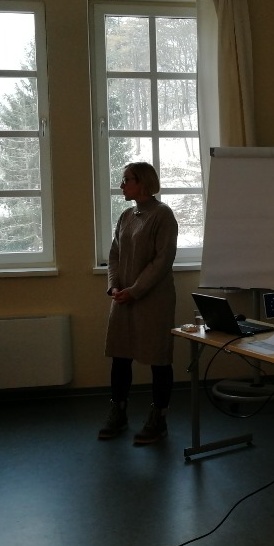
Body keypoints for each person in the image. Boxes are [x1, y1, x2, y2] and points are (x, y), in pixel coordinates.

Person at [99, 161, 178, 445]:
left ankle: (159, 418)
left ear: (142, 182)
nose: (122, 185)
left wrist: (135, 290)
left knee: (158, 358)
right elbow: (114, 254)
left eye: (126, 180)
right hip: (123, 298)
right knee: (120, 356)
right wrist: (114, 286)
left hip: (153, 300)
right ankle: (118, 412)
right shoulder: (126, 216)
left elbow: (162, 260)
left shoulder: (163, 215)